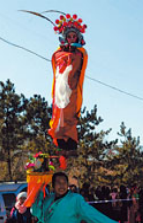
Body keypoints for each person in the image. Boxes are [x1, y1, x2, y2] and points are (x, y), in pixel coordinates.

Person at [48, 13, 88, 158]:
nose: (71, 39)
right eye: (69, 37)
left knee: (70, 114)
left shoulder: (80, 53)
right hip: (60, 85)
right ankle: (60, 145)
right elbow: (55, 68)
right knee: (59, 114)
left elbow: (81, 66)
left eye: (74, 37)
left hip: (72, 87)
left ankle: (71, 145)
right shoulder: (57, 54)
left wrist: (74, 52)